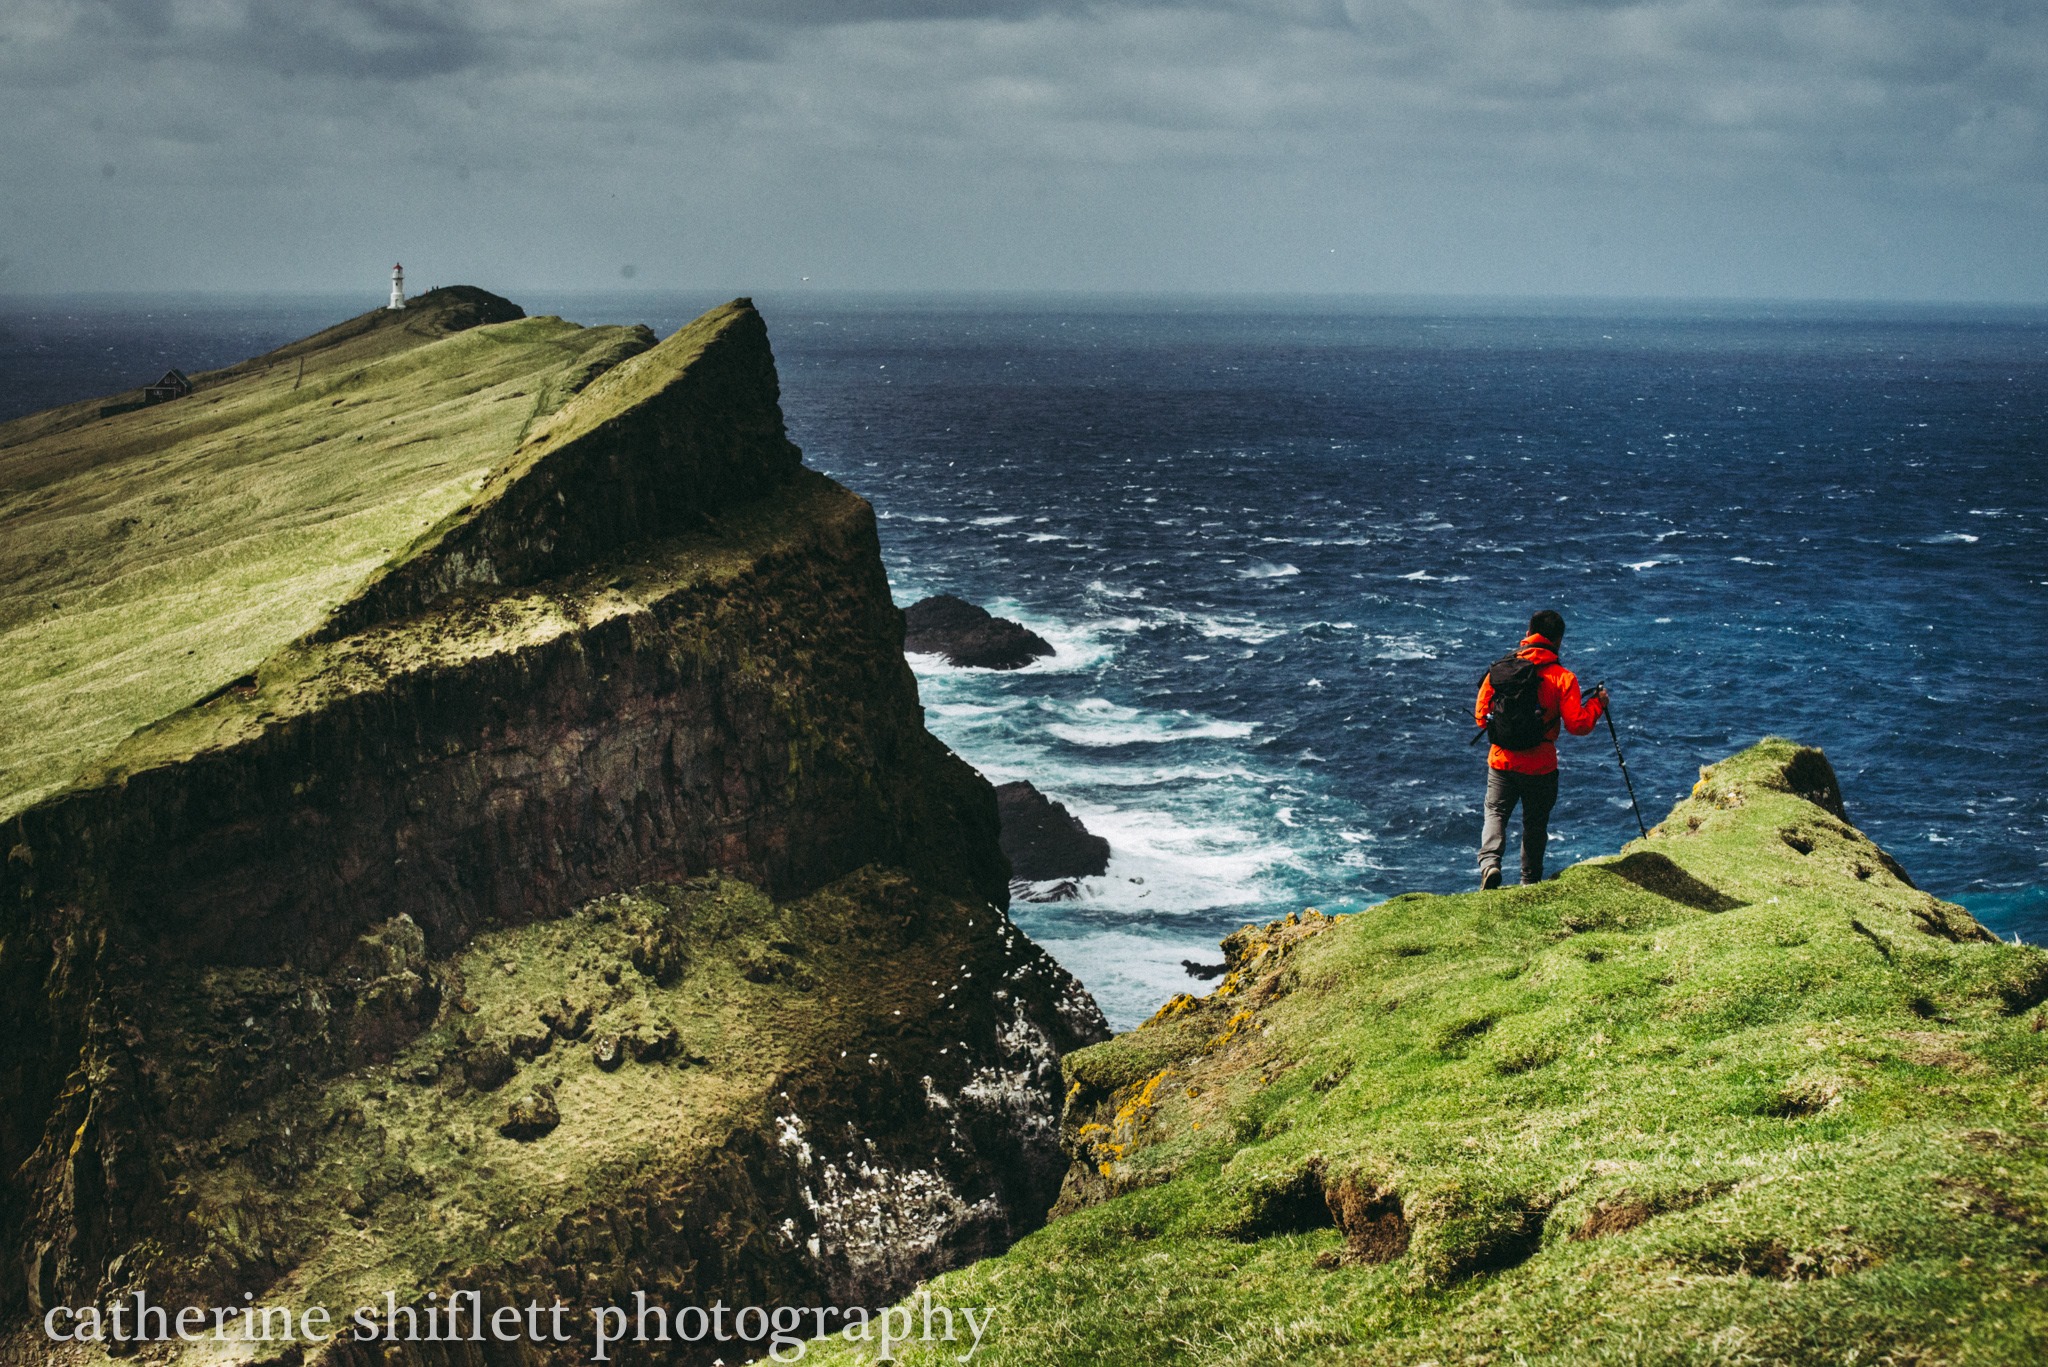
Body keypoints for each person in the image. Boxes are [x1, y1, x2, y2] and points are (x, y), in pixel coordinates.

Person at [1474, 609, 1607, 889]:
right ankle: (1530, 880)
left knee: (1495, 812)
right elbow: (1578, 725)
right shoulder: (1563, 677)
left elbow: (1480, 716)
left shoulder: (1500, 670)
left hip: (1502, 760)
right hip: (1540, 765)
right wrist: (1598, 704)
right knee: (1534, 824)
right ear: (1558, 641)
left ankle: (1490, 864)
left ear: (1527, 633)